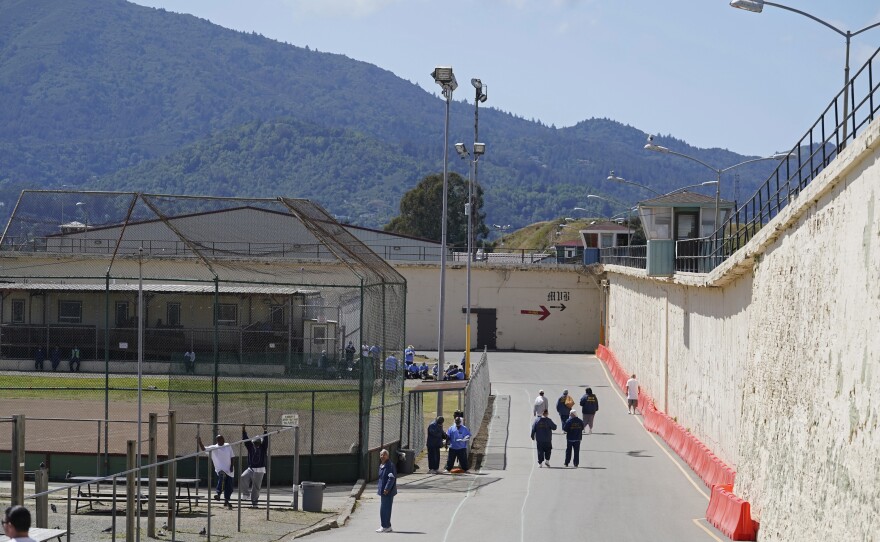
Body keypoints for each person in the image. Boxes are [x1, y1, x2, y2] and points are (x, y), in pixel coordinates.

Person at [197, 433, 234, 509]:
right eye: (221, 439)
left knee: (229, 487)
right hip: (220, 469)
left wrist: (231, 466)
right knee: (222, 477)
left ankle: (226, 501)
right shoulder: (214, 447)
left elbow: (232, 456)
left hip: (229, 470)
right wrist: (200, 442)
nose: (223, 440)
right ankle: (218, 494)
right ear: (217, 441)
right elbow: (204, 449)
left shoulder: (228, 445)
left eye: (223, 438)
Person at [241, 425, 268, 508]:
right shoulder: (250, 447)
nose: (256, 444)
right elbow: (246, 440)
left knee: (256, 487)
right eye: (255, 443)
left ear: (260, 442)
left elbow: (266, 440)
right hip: (251, 468)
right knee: (243, 477)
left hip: (259, 470)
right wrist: (243, 430)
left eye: (257, 443)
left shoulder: (263, 447)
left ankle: (254, 503)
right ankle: (246, 494)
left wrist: (265, 431)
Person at [376, 448, 397, 533]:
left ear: (387, 456)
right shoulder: (382, 465)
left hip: (387, 492)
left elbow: (391, 478)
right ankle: (385, 525)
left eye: (384, 455)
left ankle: (386, 526)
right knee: (383, 509)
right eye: (381, 455)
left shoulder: (390, 465)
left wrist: (387, 489)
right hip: (383, 491)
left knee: (385, 509)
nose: (382, 456)